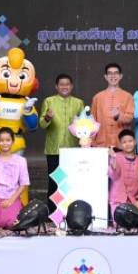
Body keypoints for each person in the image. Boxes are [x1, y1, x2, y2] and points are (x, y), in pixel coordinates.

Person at [39, 74, 84, 212]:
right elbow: (42, 124)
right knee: (55, 182)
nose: (65, 87)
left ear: (71, 86)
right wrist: (48, 117)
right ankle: (53, 212)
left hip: (73, 150)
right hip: (54, 150)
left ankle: (70, 212)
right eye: (61, 84)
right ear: (56, 86)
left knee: (70, 182)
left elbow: (83, 125)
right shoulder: (49, 101)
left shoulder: (78, 103)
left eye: (67, 84)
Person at [0, 128, 30, 229]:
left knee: (13, 224)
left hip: (13, 198)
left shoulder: (21, 161)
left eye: (8, 140)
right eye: (2, 140)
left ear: (13, 141)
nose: (5, 143)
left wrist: (10, 201)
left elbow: (24, 184)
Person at [91, 63, 134, 148]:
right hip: (101, 143)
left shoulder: (128, 96)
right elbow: (92, 122)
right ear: (106, 77)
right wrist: (92, 142)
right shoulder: (97, 97)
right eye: (110, 73)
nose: (113, 76)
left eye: (116, 73)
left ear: (120, 76)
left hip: (121, 143)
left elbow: (130, 118)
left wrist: (118, 116)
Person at [108, 129, 138, 218]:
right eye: (124, 142)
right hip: (118, 200)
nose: (127, 144)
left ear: (135, 142)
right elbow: (113, 176)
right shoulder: (116, 156)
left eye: (130, 141)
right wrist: (113, 159)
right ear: (120, 145)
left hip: (135, 200)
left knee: (137, 222)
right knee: (120, 222)